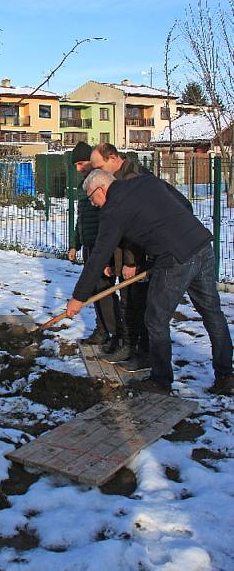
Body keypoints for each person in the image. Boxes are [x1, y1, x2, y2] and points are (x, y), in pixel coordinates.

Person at [65, 169, 233, 395]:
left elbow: (98, 256)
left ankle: (161, 381)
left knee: (155, 319)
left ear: (101, 189)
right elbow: (185, 204)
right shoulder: (146, 182)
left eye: (91, 197)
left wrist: (78, 297)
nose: (93, 204)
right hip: (201, 244)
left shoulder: (112, 210)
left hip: (175, 259)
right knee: (212, 313)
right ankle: (226, 376)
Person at [90, 143, 150, 368]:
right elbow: (116, 230)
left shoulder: (133, 179)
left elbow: (135, 227)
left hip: (139, 257)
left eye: (99, 166)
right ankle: (127, 345)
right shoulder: (116, 180)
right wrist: (114, 260)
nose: (97, 172)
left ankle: (141, 351)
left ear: (113, 158)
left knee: (138, 305)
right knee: (127, 303)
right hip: (124, 255)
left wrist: (130, 261)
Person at [68, 142, 120, 351]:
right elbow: (81, 220)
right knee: (94, 291)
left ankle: (117, 334)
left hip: (103, 248)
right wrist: (75, 244)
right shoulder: (86, 186)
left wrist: (110, 258)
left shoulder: (104, 184)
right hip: (90, 245)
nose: (78, 168)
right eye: (76, 165)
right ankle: (102, 330)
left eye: (81, 163)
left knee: (106, 293)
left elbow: (111, 224)